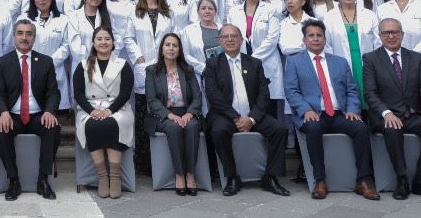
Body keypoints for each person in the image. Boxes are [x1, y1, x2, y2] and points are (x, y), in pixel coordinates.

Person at [282, 19, 378, 201]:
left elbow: (351, 89)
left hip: (339, 113)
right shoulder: (294, 62)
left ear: (325, 39)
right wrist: (305, 110)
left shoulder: (339, 62)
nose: (316, 39)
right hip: (314, 114)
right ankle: (320, 180)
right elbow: (291, 91)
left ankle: (363, 180)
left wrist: (352, 109)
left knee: (361, 128)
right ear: (304, 40)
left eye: (319, 35)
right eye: (311, 35)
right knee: (313, 128)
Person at [360, 18, 421, 200]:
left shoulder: (416, 57)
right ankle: (402, 179)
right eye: (386, 33)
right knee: (392, 128)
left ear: (402, 34)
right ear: (380, 36)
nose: (391, 36)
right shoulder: (370, 59)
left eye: (395, 32)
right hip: (386, 116)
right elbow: (370, 93)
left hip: (411, 115)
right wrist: (386, 112)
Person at [203, 23, 289, 197]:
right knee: (218, 131)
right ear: (220, 41)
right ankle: (232, 177)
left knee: (280, 129)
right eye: (225, 37)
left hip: (252, 115)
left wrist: (251, 119)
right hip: (225, 115)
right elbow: (213, 96)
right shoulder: (212, 64)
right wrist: (235, 118)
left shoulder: (254, 63)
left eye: (234, 36)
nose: (230, 39)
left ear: (241, 40)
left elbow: (264, 95)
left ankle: (270, 177)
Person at [0, 19, 60, 201]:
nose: (24, 37)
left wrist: (49, 111)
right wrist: (3, 112)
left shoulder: (45, 61)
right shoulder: (3, 62)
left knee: (52, 127)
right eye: (20, 33)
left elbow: (53, 92)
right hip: (12, 116)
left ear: (34, 38)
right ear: (14, 36)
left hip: (38, 115)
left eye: (29, 34)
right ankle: (13, 180)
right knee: (0, 129)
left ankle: (43, 179)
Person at [73, 26, 133, 200]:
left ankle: (114, 176)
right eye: (99, 39)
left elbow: (125, 92)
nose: (103, 42)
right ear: (93, 42)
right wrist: (92, 111)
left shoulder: (122, 64)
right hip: (90, 109)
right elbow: (78, 93)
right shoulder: (83, 65)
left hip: (117, 108)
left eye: (107, 39)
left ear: (113, 42)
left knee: (113, 124)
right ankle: (102, 176)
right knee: (92, 126)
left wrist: (109, 110)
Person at [143, 32, 200, 196]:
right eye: (167, 45)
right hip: (163, 115)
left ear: (179, 50)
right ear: (161, 49)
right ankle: (179, 175)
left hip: (186, 113)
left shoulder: (187, 70)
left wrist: (190, 113)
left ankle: (190, 174)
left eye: (175, 45)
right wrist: (170, 115)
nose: (171, 48)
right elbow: (152, 100)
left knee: (193, 127)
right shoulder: (152, 71)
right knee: (173, 128)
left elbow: (197, 96)